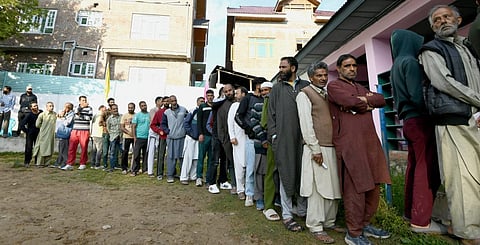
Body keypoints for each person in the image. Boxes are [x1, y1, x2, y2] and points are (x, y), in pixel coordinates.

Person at [418, 5, 480, 244]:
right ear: (432, 26)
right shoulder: (431, 49)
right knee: (462, 178)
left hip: (474, 116)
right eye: (437, 19)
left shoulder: (468, 47)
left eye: (447, 16)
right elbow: (444, 82)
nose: (442, 21)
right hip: (453, 119)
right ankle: (469, 233)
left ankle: (459, 223)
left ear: (458, 19)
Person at [327, 54, 391, 244]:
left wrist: (362, 100)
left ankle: (364, 224)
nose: (352, 69)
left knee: (374, 184)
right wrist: (364, 101)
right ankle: (353, 233)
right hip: (350, 143)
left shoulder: (359, 87)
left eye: (354, 65)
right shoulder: (334, 86)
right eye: (347, 66)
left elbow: (380, 99)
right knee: (356, 186)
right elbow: (349, 102)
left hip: (369, 143)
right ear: (338, 69)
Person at [390, 29, 444, 234]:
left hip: (407, 121)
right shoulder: (411, 62)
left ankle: (410, 213)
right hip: (420, 120)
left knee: (413, 167)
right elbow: (416, 95)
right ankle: (422, 221)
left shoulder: (396, 64)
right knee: (426, 167)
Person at [296, 61, 342, 243]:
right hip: (316, 148)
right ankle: (316, 226)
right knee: (317, 189)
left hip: (332, 147)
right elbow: (306, 124)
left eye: (325, 75)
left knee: (333, 186)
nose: (323, 78)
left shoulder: (328, 94)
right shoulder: (304, 94)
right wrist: (314, 148)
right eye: (319, 76)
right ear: (311, 77)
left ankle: (330, 222)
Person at [267, 56, 309, 232]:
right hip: (283, 140)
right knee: (286, 173)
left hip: (305, 139)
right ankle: (287, 215)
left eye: (283, 66)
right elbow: (271, 115)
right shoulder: (277, 88)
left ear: (293, 68)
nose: (280, 69)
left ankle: (301, 210)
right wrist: (275, 136)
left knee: (303, 174)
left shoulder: (306, 87)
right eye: (279, 66)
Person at [234, 78, 266, 209]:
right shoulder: (248, 98)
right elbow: (238, 116)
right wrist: (248, 129)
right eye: (260, 85)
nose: (261, 87)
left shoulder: (267, 99)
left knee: (262, 169)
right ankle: (249, 193)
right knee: (251, 167)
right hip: (251, 138)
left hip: (264, 139)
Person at [260, 81, 280, 221]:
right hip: (274, 139)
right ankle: (268, 205)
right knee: (271, 173)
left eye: (268, 90)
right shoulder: (268, 100)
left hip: (290, 140)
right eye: (263, 90)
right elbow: (264, 122)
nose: (265, 92)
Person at [209, 84, 236, 194]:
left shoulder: (234, 103)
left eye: (230, 90)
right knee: (215, 160)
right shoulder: (219, 103)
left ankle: (223, 180)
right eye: (226, 91)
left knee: (225, 160)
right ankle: (211, 183)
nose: (229, 92)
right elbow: (213, 104)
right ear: (223, 93)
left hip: (228, 136)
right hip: (217, 135)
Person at [227, 86, 249, 203]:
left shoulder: (249, 103)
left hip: (249, 138)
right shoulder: (234, 106)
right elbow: (230, 122)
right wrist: (232, 136)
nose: (235, 95)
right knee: (239, 164)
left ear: (244, 94)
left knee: (249, 165)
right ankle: (240, 189)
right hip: (238, 139)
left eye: (238, 93)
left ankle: (249, 189)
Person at [161, 95, 188, 183]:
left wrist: (185, 131)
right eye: (172, 101)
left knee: (182, 157)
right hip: (171, 137)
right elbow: (163, 124)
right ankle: (170, 175)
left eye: (175, 100)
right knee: (171, 157)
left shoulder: (183, 110)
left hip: (181, 137)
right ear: (169, 102)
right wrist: (167, 131)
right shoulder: (166, 112)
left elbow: (188, 121)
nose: (174, 102)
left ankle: (183, 176)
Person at [62, 96, 93, 170]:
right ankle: (70, 163)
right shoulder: (76, 107)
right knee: (72, 147)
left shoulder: (89, 108)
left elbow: (89, 118)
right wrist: (81, 112)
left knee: (84, 147)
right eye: (82, 100)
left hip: (84, 130)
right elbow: (76, 113)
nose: (84, 102)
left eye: (85, 100)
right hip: (75, 130)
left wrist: (80, 115)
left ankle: (83, 163)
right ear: (79, 101)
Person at [180, 96, 204, 184]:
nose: (202, 102)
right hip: (190, 138)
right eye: (201, 101)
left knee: (196, 158)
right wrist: (192, 134)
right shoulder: (192, 110)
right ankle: (184, 177)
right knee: (188, 158)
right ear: (197, 102)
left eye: (203, 101)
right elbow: (186, 123)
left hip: (199, 139)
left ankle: (193, 176)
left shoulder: (204, 110)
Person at [196, 89, 214, 187]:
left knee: (211, 158)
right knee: (201, 157)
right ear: (206, 97)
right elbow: (199, 121)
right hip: (204, 136)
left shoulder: (215, 106)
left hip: (213, 136)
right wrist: (200, 133)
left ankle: (208, 178)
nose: (210, 97)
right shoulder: (202, 107)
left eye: (211, 95)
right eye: (208, 95)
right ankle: (199, 177)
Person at [149, 96, 170, 180]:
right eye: (164, 101)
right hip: (163, 136)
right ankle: (159, 173)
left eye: (168, 101)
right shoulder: (159, 112)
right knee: (161, 155)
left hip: (172, 136)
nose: (166, 103)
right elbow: (152, 124)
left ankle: (171, 172)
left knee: (171, 155)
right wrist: (159, 131)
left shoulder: (174, 111)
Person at [32, 102, 57, 167]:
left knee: (50, 147)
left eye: (52, 106)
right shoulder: (42, 115)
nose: (52, 107)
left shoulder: (54, 114)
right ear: (47, 107)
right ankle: (39, 163)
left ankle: (47, 163)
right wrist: (43, 127)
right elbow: (37, 124)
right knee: (42, 148)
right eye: (50, 106)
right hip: (43, 133)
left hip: (51, 134)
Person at [146, 96, 166, 178]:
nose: (163, 103)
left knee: (160, 153)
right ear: (157, 102)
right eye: (161, 101)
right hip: (154, 132)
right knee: (151, 152)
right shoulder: (153, 110)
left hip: (161, 133)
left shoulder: (165, 110)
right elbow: (153, 121)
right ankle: (150, 171)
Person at [19, 102, 42, 167]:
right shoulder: (29, 115)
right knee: (29, 148)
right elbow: (22, 124)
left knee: (37, 147)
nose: (36, 107)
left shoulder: (40, 114)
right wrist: (27, 131)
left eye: (37, 105)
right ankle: (27, 162)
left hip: (38, 133)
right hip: (30, 133)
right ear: (31, 108)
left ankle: (37, 162)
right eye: (34, 106)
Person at [130, 101, 150, 176]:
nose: (144, 107)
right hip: (139, 137)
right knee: (137, 154)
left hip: (147, 137)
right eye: (142, 106)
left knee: (146, 154)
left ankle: (145, 169)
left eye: (145, 105)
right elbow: (133, 126)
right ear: (140, 107)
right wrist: (134, 137)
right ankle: (135, 170)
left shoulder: (149, 115)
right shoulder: (137, 115)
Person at [54, 102, 74, 168]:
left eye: (66, 107)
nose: (64, 108)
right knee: (61, 148)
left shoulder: (71, 114)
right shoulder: (66, 114)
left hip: (65, 133)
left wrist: (62, 117)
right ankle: (59, 162)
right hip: (61, 133)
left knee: (64, 149)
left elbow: (67, 123)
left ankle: (64, 163)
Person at [120, 102, 136, 174]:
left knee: (135, 152)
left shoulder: (136, 115)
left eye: (131, 107)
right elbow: (122, 127)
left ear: (134, 108)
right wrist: (129, 133)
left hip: (135, 137)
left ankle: (133, 167)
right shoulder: (124, 116)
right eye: (129, 107)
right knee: (125, 152)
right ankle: (124, 168)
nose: (130, 109)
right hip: (126, 137)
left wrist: (134, 134)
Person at [106, 104, 122, 172]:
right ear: (111, 110)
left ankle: (122, 166)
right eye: (114, 109)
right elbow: (108, 128)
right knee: (112, 153)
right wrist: (112, 135)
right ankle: (112, 167)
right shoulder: (109, 119)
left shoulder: (121, 116)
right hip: (113, 137)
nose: (116, 110)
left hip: (121, 137)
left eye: (116, 108)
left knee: (122, 152)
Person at [91, 105, 106, 169]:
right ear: (102, 109)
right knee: (99, 150)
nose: (105, 110)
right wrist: (104, 124)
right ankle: (97, 164)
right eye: (105, 109)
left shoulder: (95, 115)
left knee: (94, 150)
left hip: (93, 134)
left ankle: (92, 164)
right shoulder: (101, 115)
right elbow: (100, 123)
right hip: (99, 134)